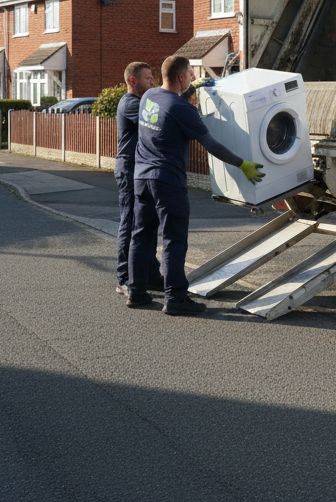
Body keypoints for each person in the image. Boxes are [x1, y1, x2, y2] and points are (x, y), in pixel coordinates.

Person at [128, 55, 267, 316]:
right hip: (167, 181)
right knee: (173, 239)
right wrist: (241, 164)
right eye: (191, 73)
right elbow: (210, 144)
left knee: (142, 235)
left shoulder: (150, 97)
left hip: (141, 178)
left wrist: (192, 89)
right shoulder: (184, 110)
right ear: (180, 76)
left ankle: (136, 292)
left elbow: (170, 105)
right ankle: (176, 299)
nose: (193, 76)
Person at [114, 61, 162, 296]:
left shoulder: (142, 102)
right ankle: (124, 277)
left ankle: (150, 274)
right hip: (129, 170)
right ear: (133, 80)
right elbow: (157, 120)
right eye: (148, 78)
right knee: (131, 223)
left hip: (142, 171)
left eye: (153, 77)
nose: (152, 81)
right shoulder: (131, 103)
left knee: (147, 225)